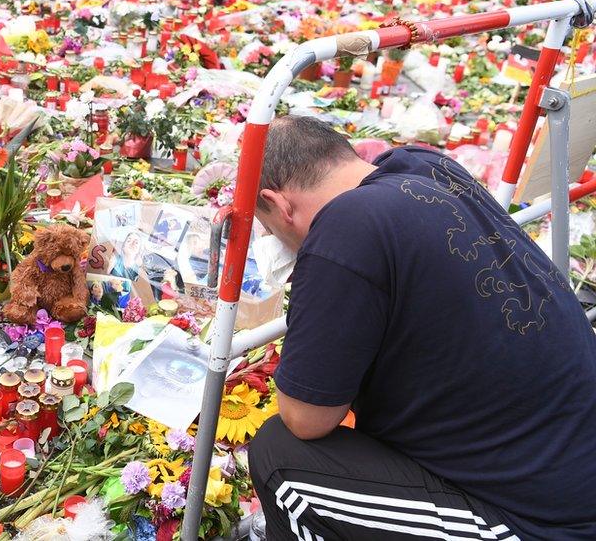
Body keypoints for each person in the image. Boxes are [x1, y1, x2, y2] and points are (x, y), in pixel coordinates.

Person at [247, 116, 596, 540]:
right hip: (567, 463)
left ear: (279, 204)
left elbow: (305, 418)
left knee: (280, 455)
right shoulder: (425, 165)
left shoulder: (344, 229)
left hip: (543, 522)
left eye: (268, 229)